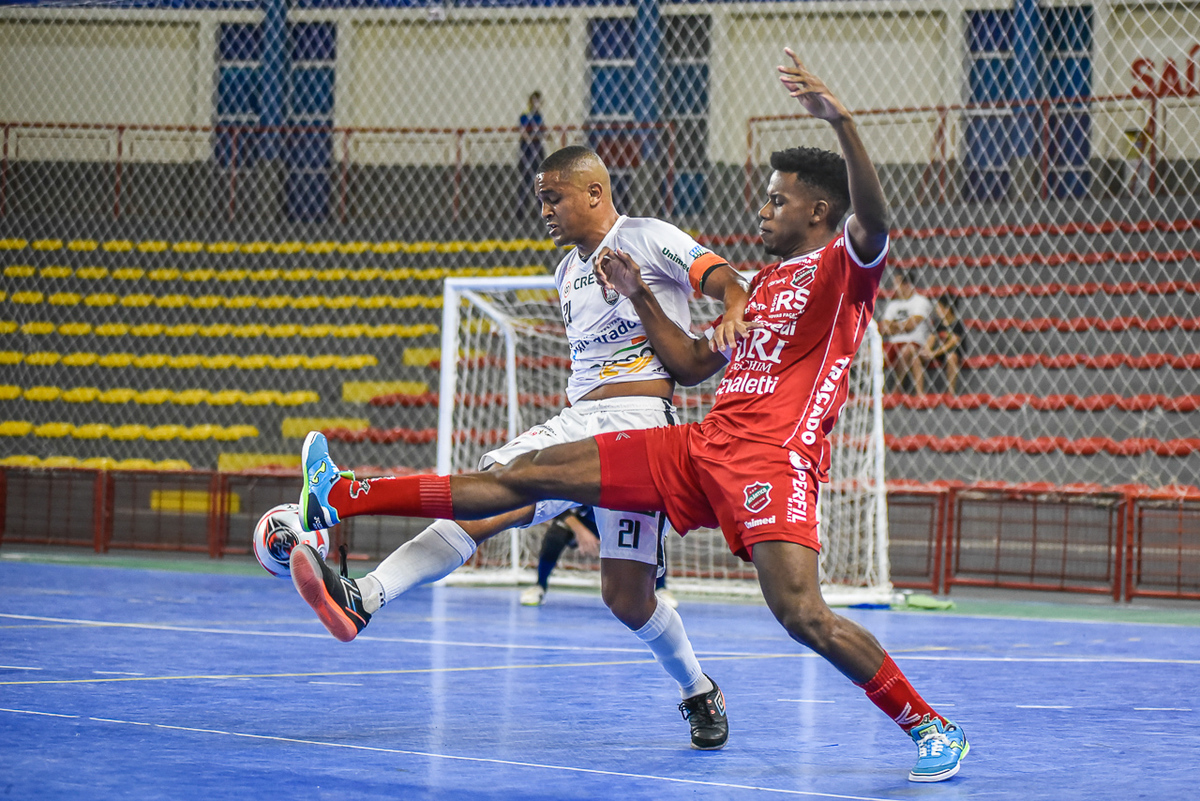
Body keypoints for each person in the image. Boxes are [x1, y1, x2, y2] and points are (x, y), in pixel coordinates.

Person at [294, 49, 967, 782]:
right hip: (698, 445)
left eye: (777, 201)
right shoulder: (767, 283)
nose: (763, 209)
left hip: (773, 462)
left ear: (818, 212)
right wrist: (641, 295)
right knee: (526, 475)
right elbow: (689, 363)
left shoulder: (842, 271)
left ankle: (930, 726)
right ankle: (342, 493)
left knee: (803, 615)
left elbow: (875, 221)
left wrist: (840, 120)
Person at [291, 144, 751, 750]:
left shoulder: (648, 236)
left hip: (641, 426)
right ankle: (364, 593)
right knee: (489, 497)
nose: (544, 211)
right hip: (579, 421)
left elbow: (730, 282)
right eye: (541, 200)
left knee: (626, 597)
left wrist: (733, 313)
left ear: (595, 192)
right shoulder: (565, 273)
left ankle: (698, 689)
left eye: (553, 198)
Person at [520, 508, 678, 609]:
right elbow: (557, 505)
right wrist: (580, 530)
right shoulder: (579, 472)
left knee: (651, 533)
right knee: (556, 533)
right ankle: (539, 586)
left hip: (619, 517)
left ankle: (660, 588)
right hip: (588, 521)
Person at [877, 270, 932, 395]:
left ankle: (897, 389)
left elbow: (911, 325)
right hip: (893, 343)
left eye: (897, 284)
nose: (894, 288)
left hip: (915, 343)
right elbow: (885, 328)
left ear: (907, 285)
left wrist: (894, 325)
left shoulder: (921, 301)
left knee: (907, 351)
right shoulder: (892, 304)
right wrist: (903, 325)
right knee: (870, 353)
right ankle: (873, 391)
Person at [920, 295, 966, 394]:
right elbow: (931, 339)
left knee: (951, 357)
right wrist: (926, 350)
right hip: (938, 353)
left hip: (952, 352)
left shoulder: (957, 323)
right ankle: (920, 392)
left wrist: (934, 353)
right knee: (917, 358)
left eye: (939, 307)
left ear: (947, 309)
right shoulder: (938, 324)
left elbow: (952, 343)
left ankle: (951, 392)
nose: (937, 310)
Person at [516, 91, 546, 218]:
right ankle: (520, 212)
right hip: (527, 151)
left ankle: (542, 209)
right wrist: (529, 139)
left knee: (540, 180)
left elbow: (542, 131)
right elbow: (523, 131)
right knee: (526, 181)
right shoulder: (525, 115)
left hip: (537, 149)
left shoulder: (539, 116)